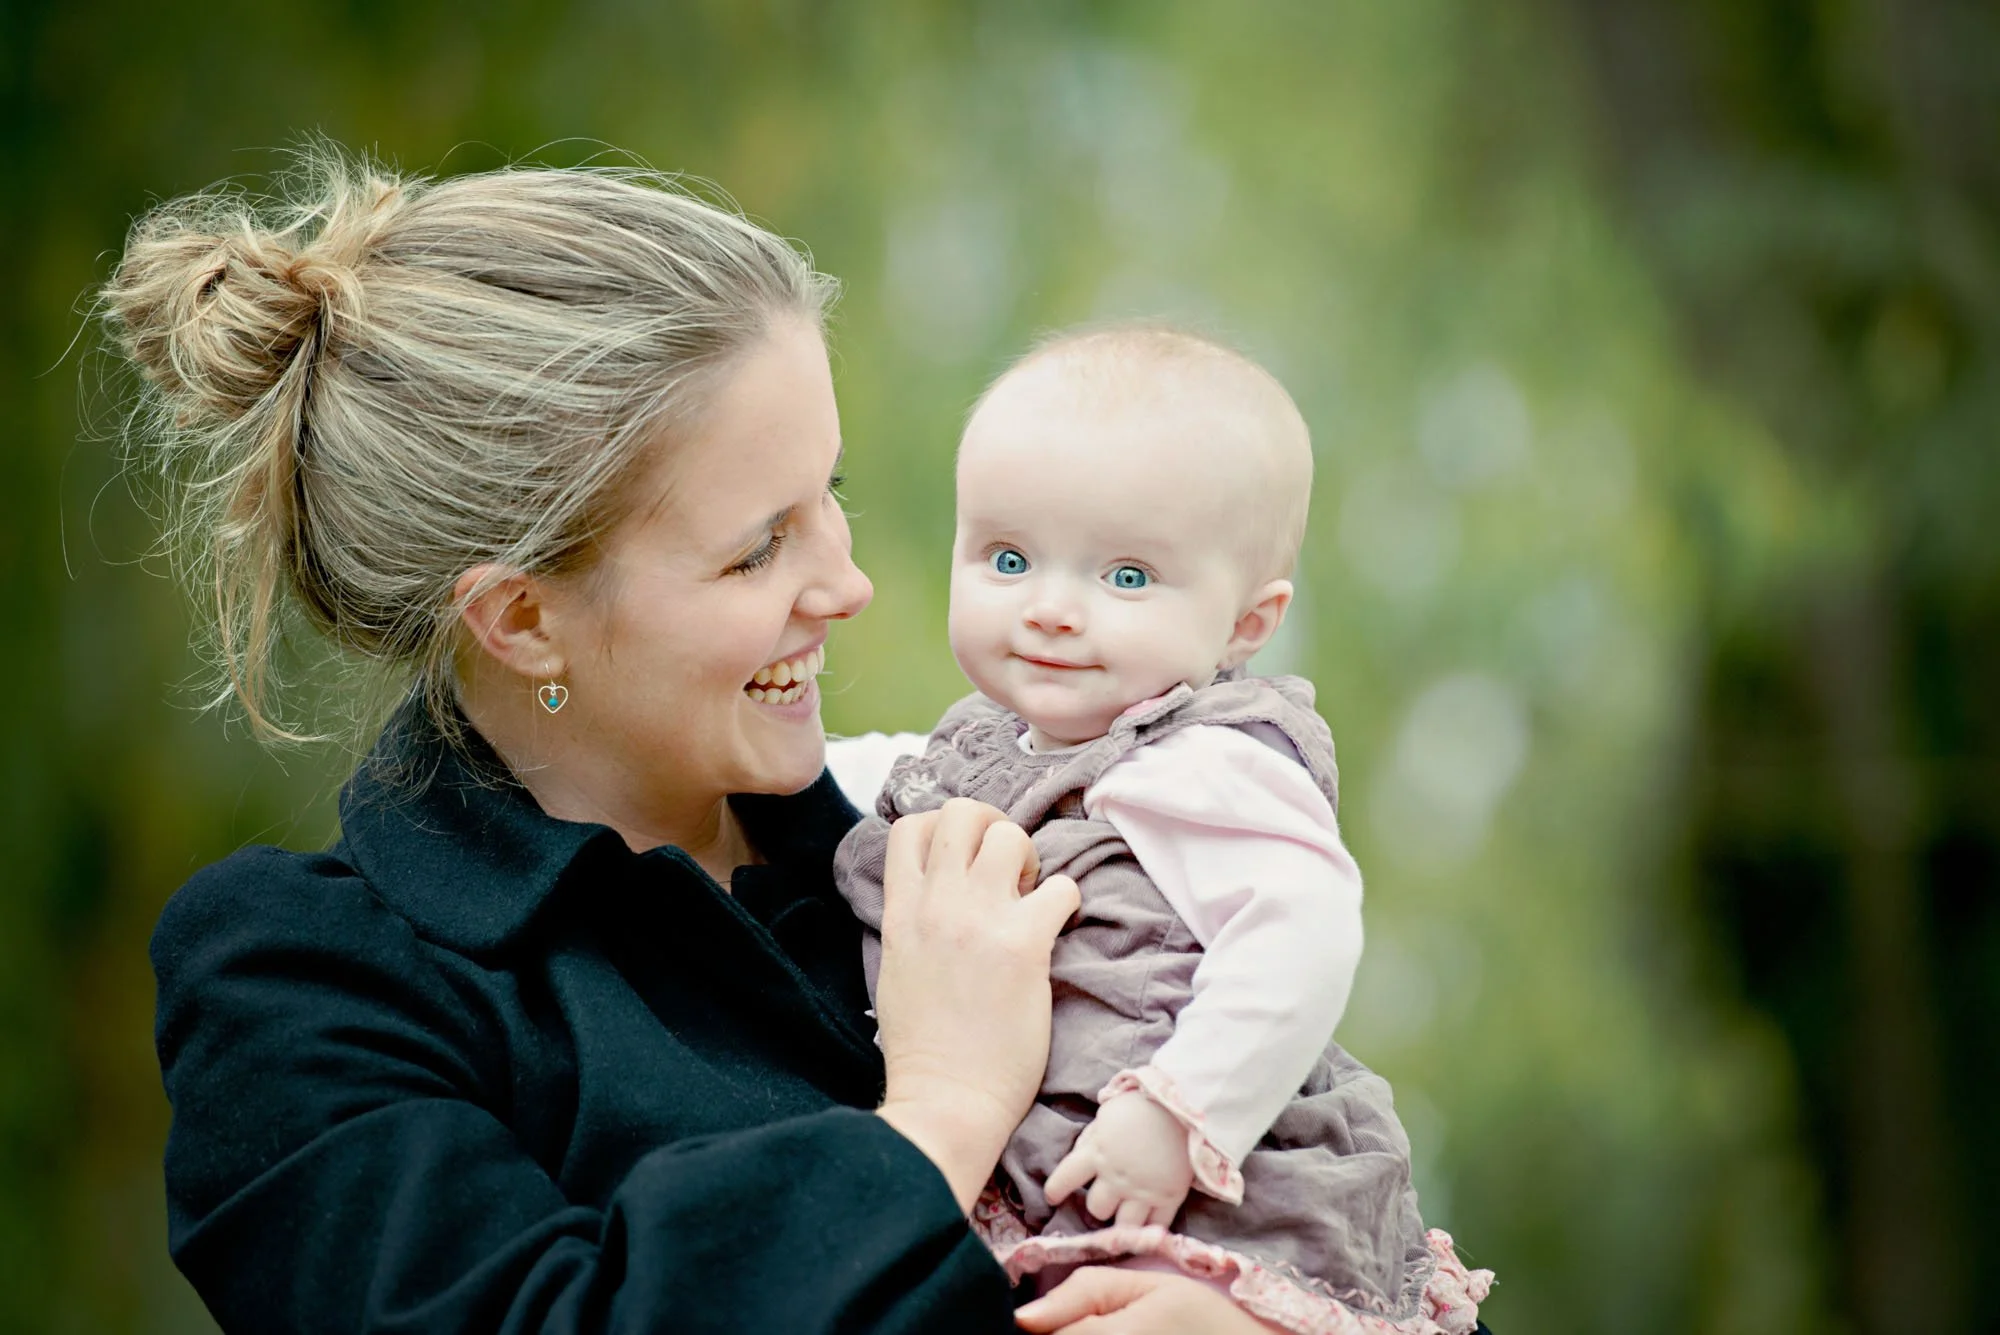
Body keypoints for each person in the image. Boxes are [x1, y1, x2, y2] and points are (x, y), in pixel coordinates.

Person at [109, 147, 1299, 1332]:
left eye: (831, 495)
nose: (848, 584)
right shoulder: (307, 993)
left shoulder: (968, 827)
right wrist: (938, 1114)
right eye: (758, 548)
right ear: (521, 620)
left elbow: (1336, 1201)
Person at [833, 328, 1494, 1334]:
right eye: (1007, 558)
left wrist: (1183, 1113)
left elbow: (1301, 932)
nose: (1050, 609)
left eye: (1125, 578)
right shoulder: (976, 746)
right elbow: (870, 772)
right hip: (1067, 1192)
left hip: (1217, 1198)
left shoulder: (1210, 761)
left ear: (1246, 623)